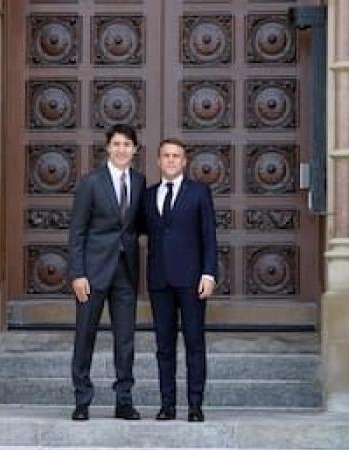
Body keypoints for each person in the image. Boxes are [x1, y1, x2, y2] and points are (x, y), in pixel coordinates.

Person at [68, 124, 146, 421]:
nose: (122, 149)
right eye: (116, 144)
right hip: (92, 273)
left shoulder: (139, 182)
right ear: (107, 148)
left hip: (125, 273)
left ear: (135, 149)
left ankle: (123, 401)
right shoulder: (91, 183)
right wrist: (77, 274)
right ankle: (82, 401)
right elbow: (77, 231)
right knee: (84, 336)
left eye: (127, 144)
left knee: (125, 339)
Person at [143, 138, 218, 422]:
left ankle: (195, 405)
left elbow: (209, 235)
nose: (171, 160)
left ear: (185, 162)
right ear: (159, 161)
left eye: (176, 156)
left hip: (191, 280)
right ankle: (167, 405)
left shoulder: (199, 193)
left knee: (194, 344)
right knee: (164, 346)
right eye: (166, 156)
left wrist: (209, 273)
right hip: (159, 280)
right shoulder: (148, 196)